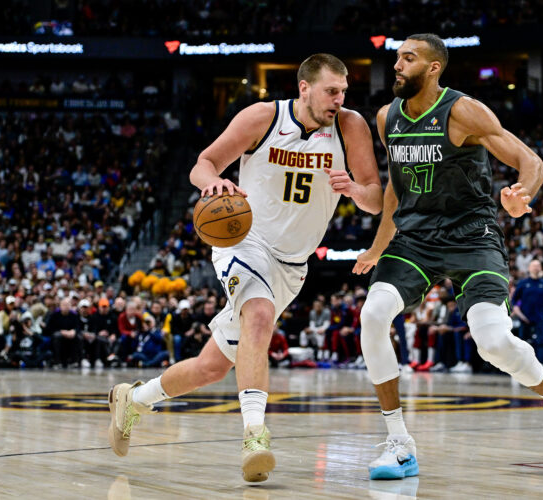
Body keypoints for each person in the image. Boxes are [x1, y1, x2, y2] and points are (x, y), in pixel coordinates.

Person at [353, 33, 543, 480]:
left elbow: (531, 161)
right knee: (373, 314)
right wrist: (378, 246)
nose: (397, 65)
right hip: (415, 240)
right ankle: (399, 443)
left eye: (408, 58)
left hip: (471, 238)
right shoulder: (388, 117)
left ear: (433, 68)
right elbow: (395, 189)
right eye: (397, 57)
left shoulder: (463, 110)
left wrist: (521, 196)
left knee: (494, 342)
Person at [107, 53, 383, 483]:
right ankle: (255, 435)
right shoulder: (263, 117)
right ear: (305, 88)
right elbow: (203, 164)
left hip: (292, 264)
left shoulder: (350, 127)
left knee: (212, 367)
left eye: (343, 91)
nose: (339, 99)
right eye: (332, 91)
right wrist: (213, 183)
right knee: (258, 316)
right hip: (243, 239)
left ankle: (134, 400)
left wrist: (354, 191)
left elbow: (376, 198)